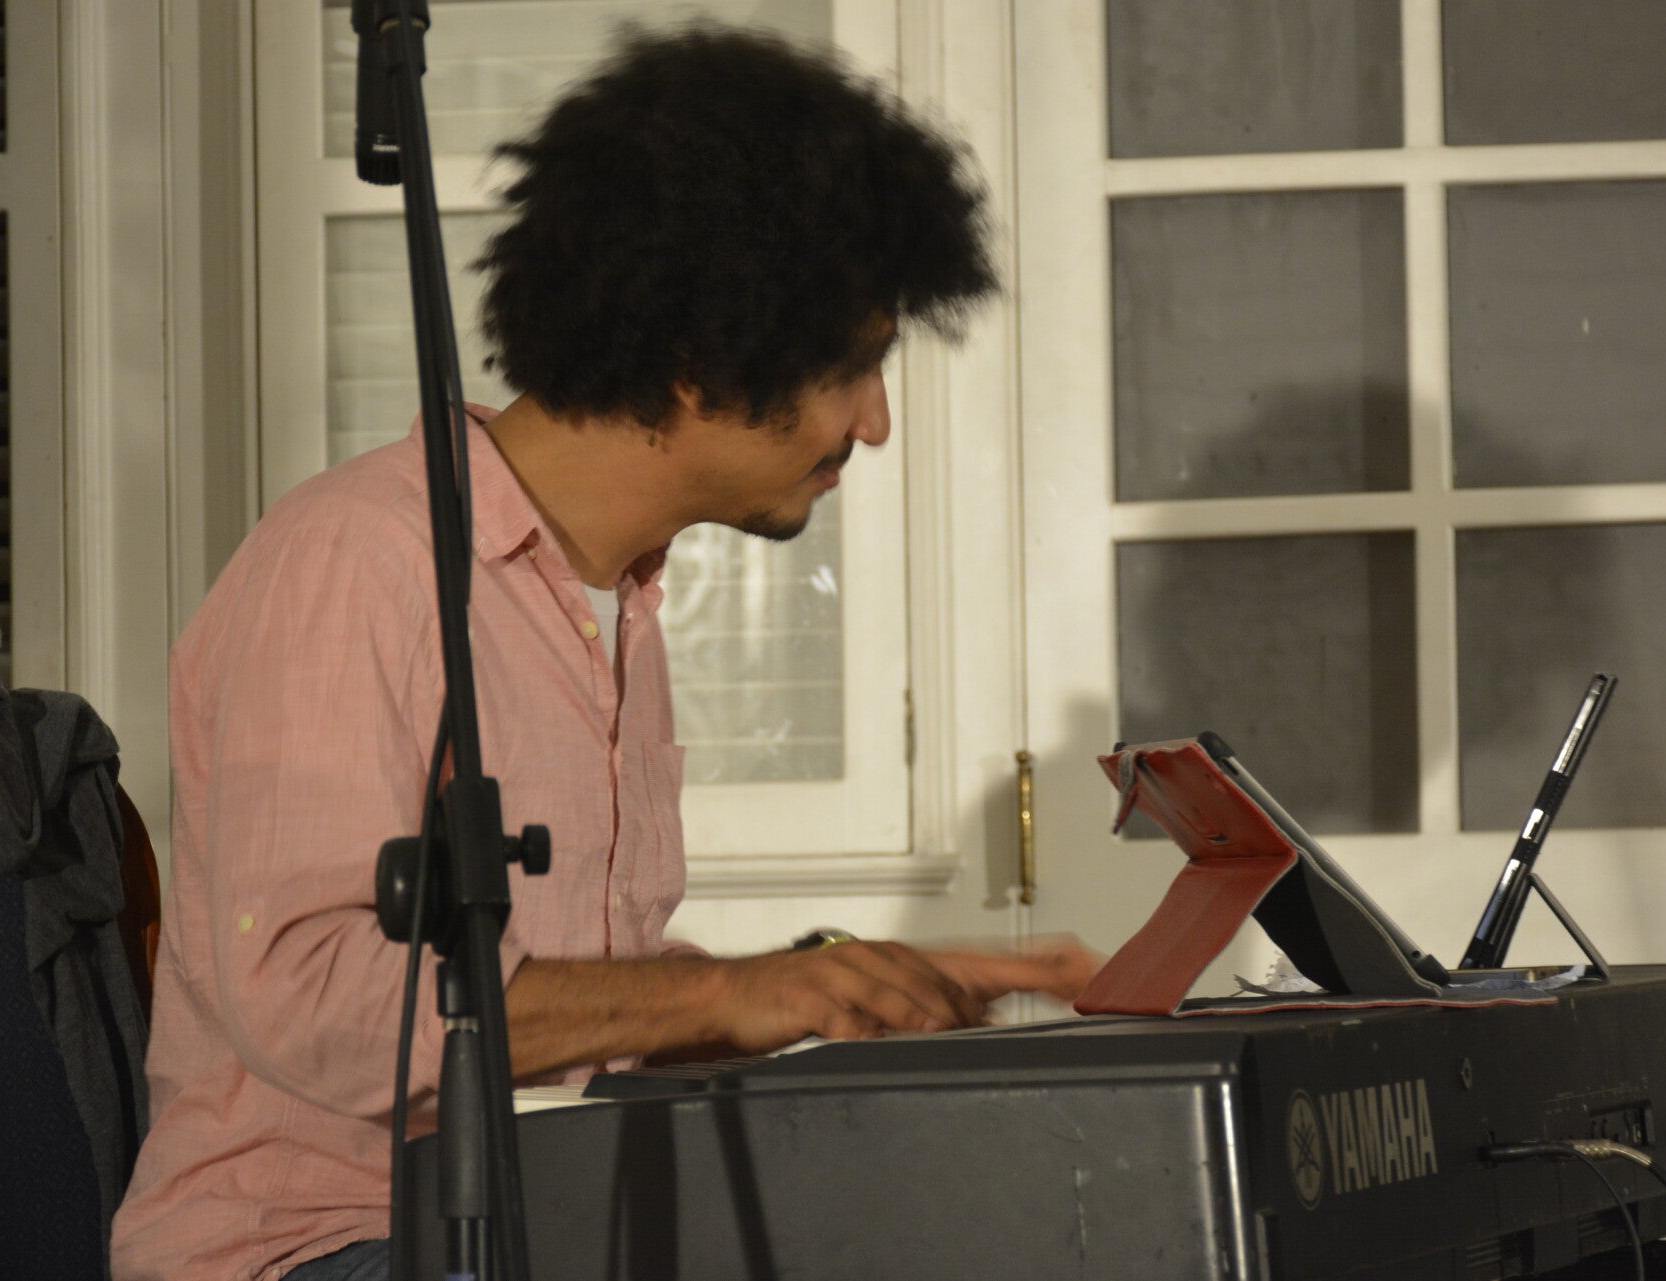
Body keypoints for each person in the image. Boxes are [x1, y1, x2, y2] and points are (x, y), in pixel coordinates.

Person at [111, 24, 1098, 1281]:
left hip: (533, 1223)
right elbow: (310, 994)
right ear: (699, 354)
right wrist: (724, 997)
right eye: (854, 368)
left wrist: (834, 990)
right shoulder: (357, 561)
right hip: (318, 1249)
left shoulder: (610, 601)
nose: (875, 424)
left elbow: (576, 1008)